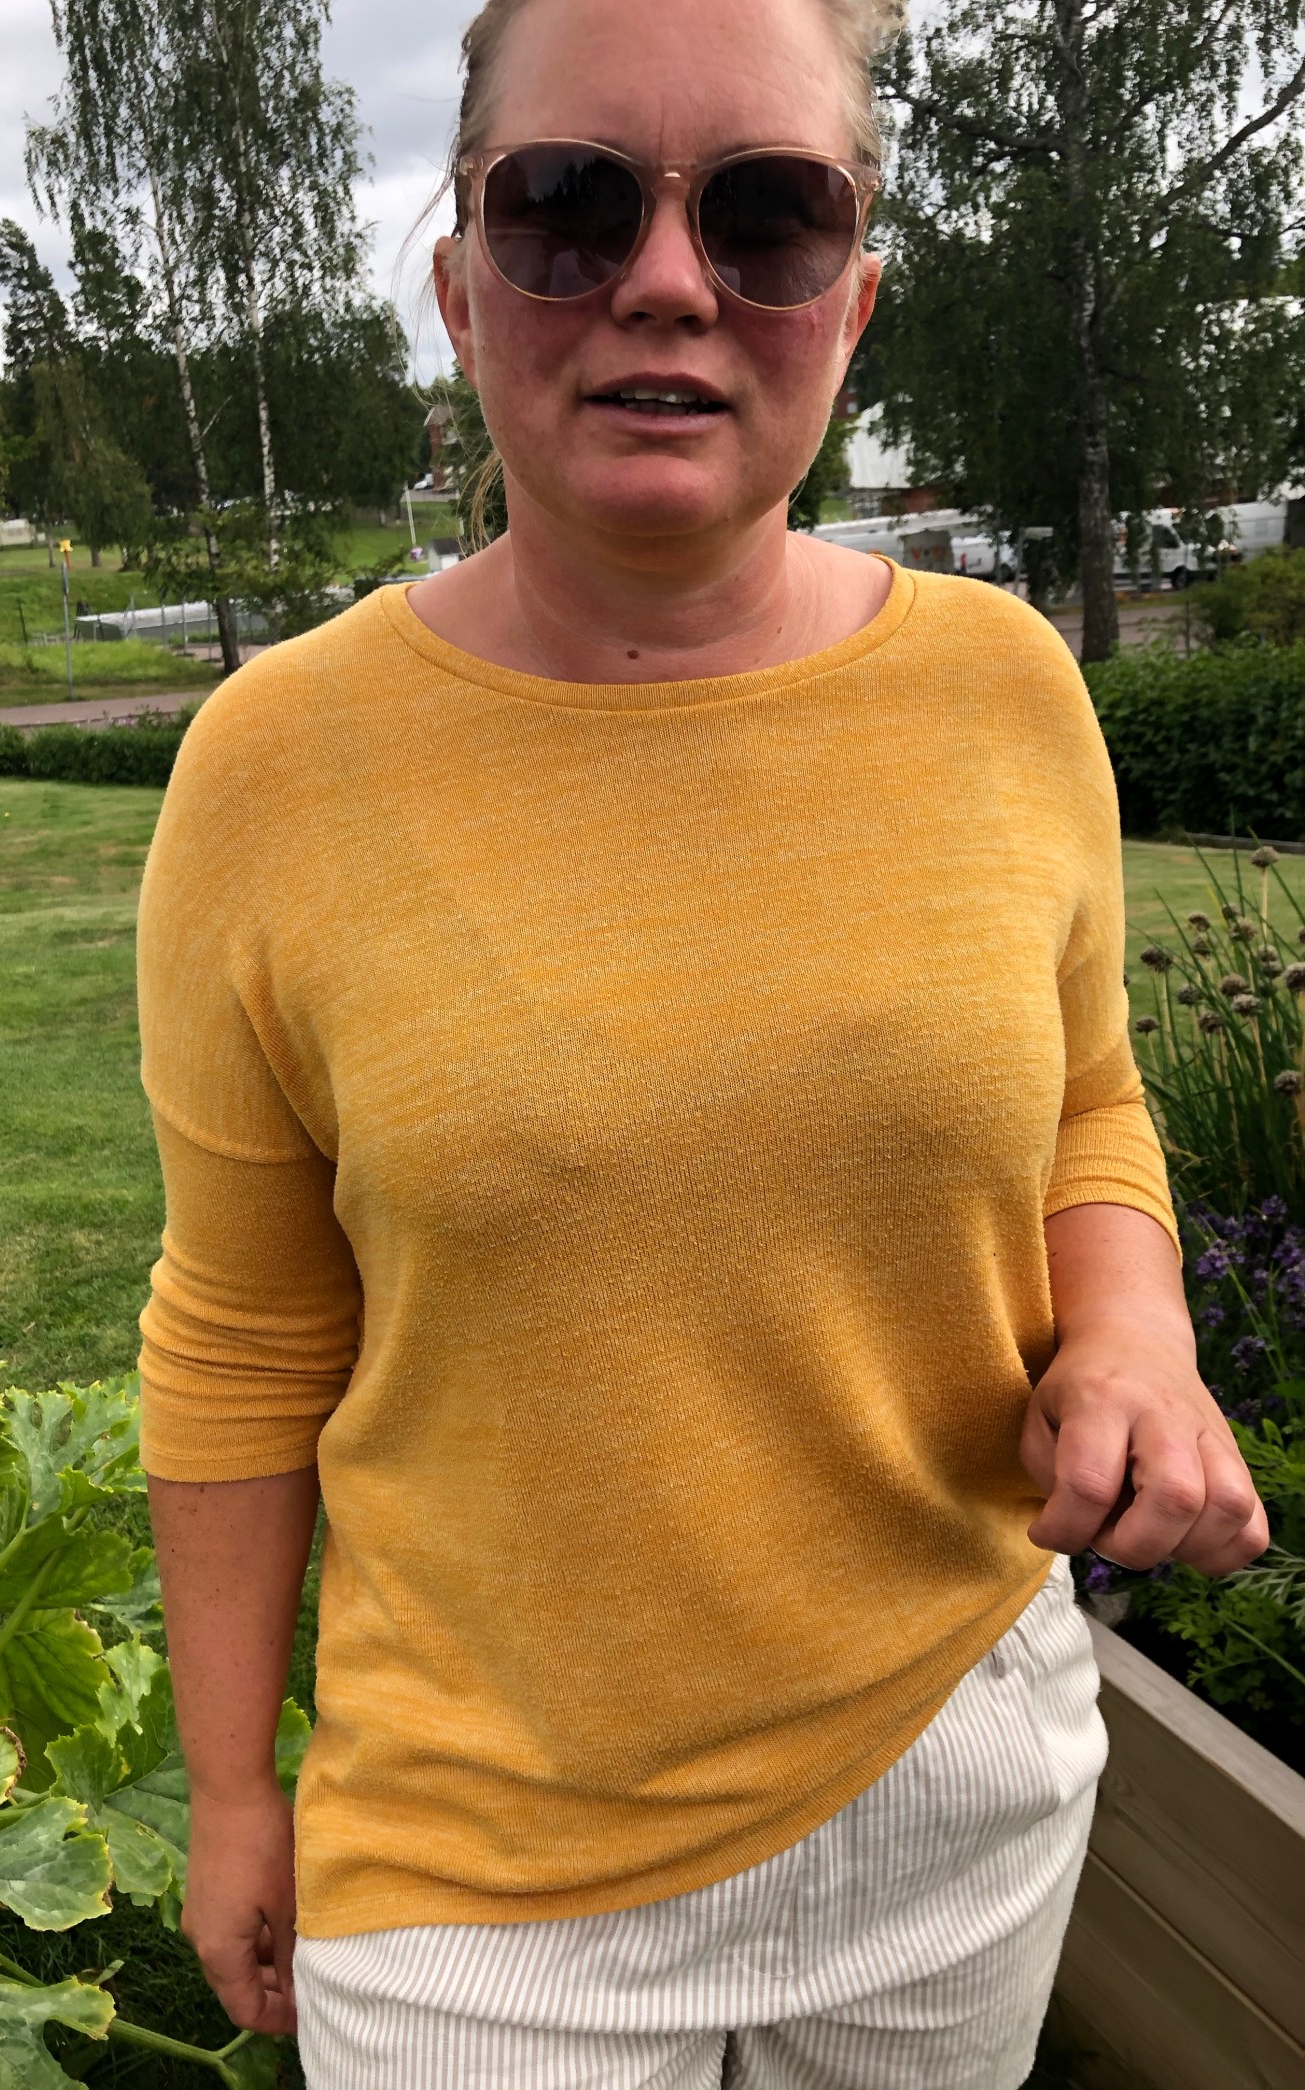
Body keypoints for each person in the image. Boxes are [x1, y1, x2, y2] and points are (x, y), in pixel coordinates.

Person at [135, 0, 1271, 2081]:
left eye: (766, 214)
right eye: (570, 205)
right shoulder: (272, 767)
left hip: (952, 1778)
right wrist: (228, 1788)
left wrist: (1132, 1331)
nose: (668, 280)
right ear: (459, 284)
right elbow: (239, 1327)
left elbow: (1087, 1099)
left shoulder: (1006, 692)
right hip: (477, 1876)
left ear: (853, 300)